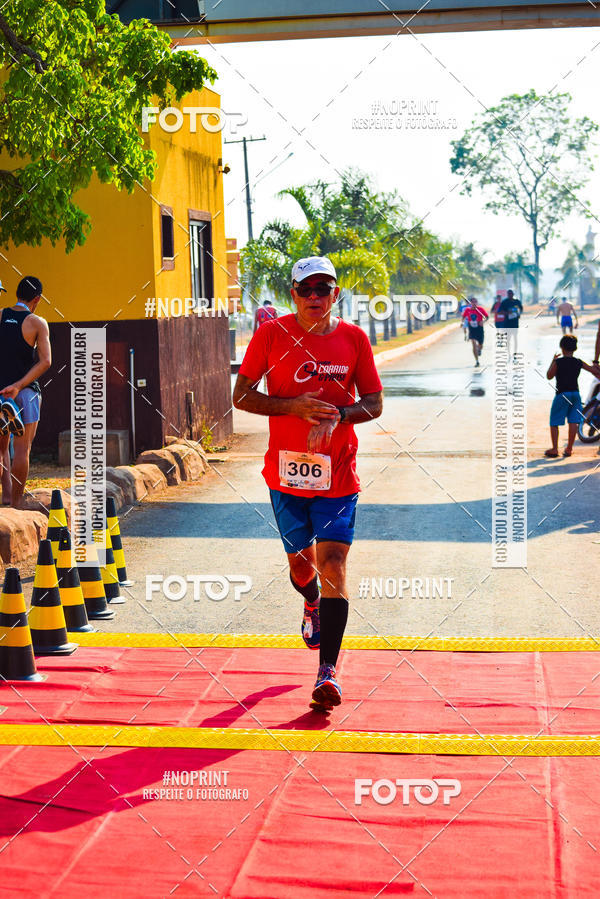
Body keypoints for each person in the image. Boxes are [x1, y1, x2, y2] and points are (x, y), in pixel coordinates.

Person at [233, 256, 383, 709]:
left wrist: (341, 416)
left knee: (333, 561)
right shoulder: (270, 334)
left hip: (338, 472)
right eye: (306, 290)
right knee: (303, 567)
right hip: (286, 474)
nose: (316, 297)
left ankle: (328, 672)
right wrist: (292, 407)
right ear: (292, 293)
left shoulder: (354, 338)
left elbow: (374, 402)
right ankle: (310, 601)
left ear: (336, 293)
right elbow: (240, 396)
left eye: (324, 288)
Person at [0, 276, 51, 508]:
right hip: (24, 393)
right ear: (37, 299)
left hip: (1, 390)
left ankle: (6, 496)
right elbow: (46, 361)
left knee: (1, 448)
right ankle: (17, 502)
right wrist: (19, 385)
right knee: (22, 449)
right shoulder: (37, 323)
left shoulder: (0, 315)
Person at [545, 335, 597, 457]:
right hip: (575, 394)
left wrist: (553, 361)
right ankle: (569, 449)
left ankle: (554, 449)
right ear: (575, 348)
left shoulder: (558, 362)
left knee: (554, 422)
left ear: (562, 347)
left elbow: (549, 376)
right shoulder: (578, 362)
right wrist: (595, 365)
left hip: (562, 394)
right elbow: (592, 370)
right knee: (573, 421)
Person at [495, 288, 523, 357]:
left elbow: (521, 309)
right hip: (507, 323)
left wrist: (519, 314)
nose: (510, 295)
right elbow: (499, 311)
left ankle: (515, 353)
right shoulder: (504, 302)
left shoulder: (517, 301)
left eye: (511, 293)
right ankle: (509, 354)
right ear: (507, 294)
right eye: (509, 294)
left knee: (515, 338)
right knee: (508, 339)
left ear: (513, 294)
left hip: (515, 323)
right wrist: (507, 313)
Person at [461, 297, 488, 366]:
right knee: (473, 343)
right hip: (472, 328)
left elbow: (487, 317)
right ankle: (477, 361)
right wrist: (462, 323)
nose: (474, 303)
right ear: (470, 303)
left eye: (475, 302)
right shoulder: (467, 310)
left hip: (479, 328)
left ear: (477, 303)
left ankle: (479, 349)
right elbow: (463, 317)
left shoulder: (480, 309)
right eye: (472, 302)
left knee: (480, 344)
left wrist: (483, 321)